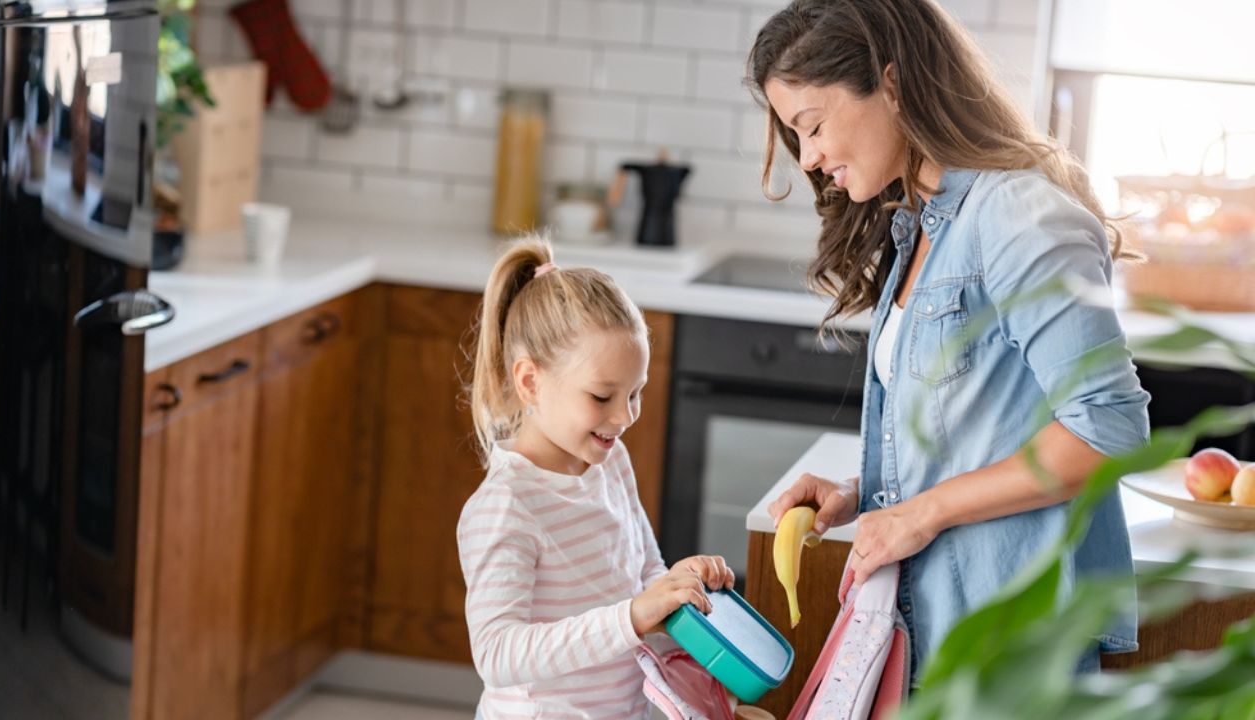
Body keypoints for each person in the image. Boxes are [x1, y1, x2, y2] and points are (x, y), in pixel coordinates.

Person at [748, 0, 1151, 684]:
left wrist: (921, 513)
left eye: (811, 127)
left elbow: (1108, 429)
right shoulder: (922, 224)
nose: (810, 158)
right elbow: (983, 430)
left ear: (893, 84)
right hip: (936, 626)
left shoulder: (1021, 216)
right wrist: (863, 492)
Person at [457, 236, 735, 719]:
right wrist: (632, 616)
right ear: (530, 382)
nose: (626, 416)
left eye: (636, 394)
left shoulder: (611, 462)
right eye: (602, 397)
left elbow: (642, 571)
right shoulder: (506, 506)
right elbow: (497, 656)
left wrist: (675, 585)